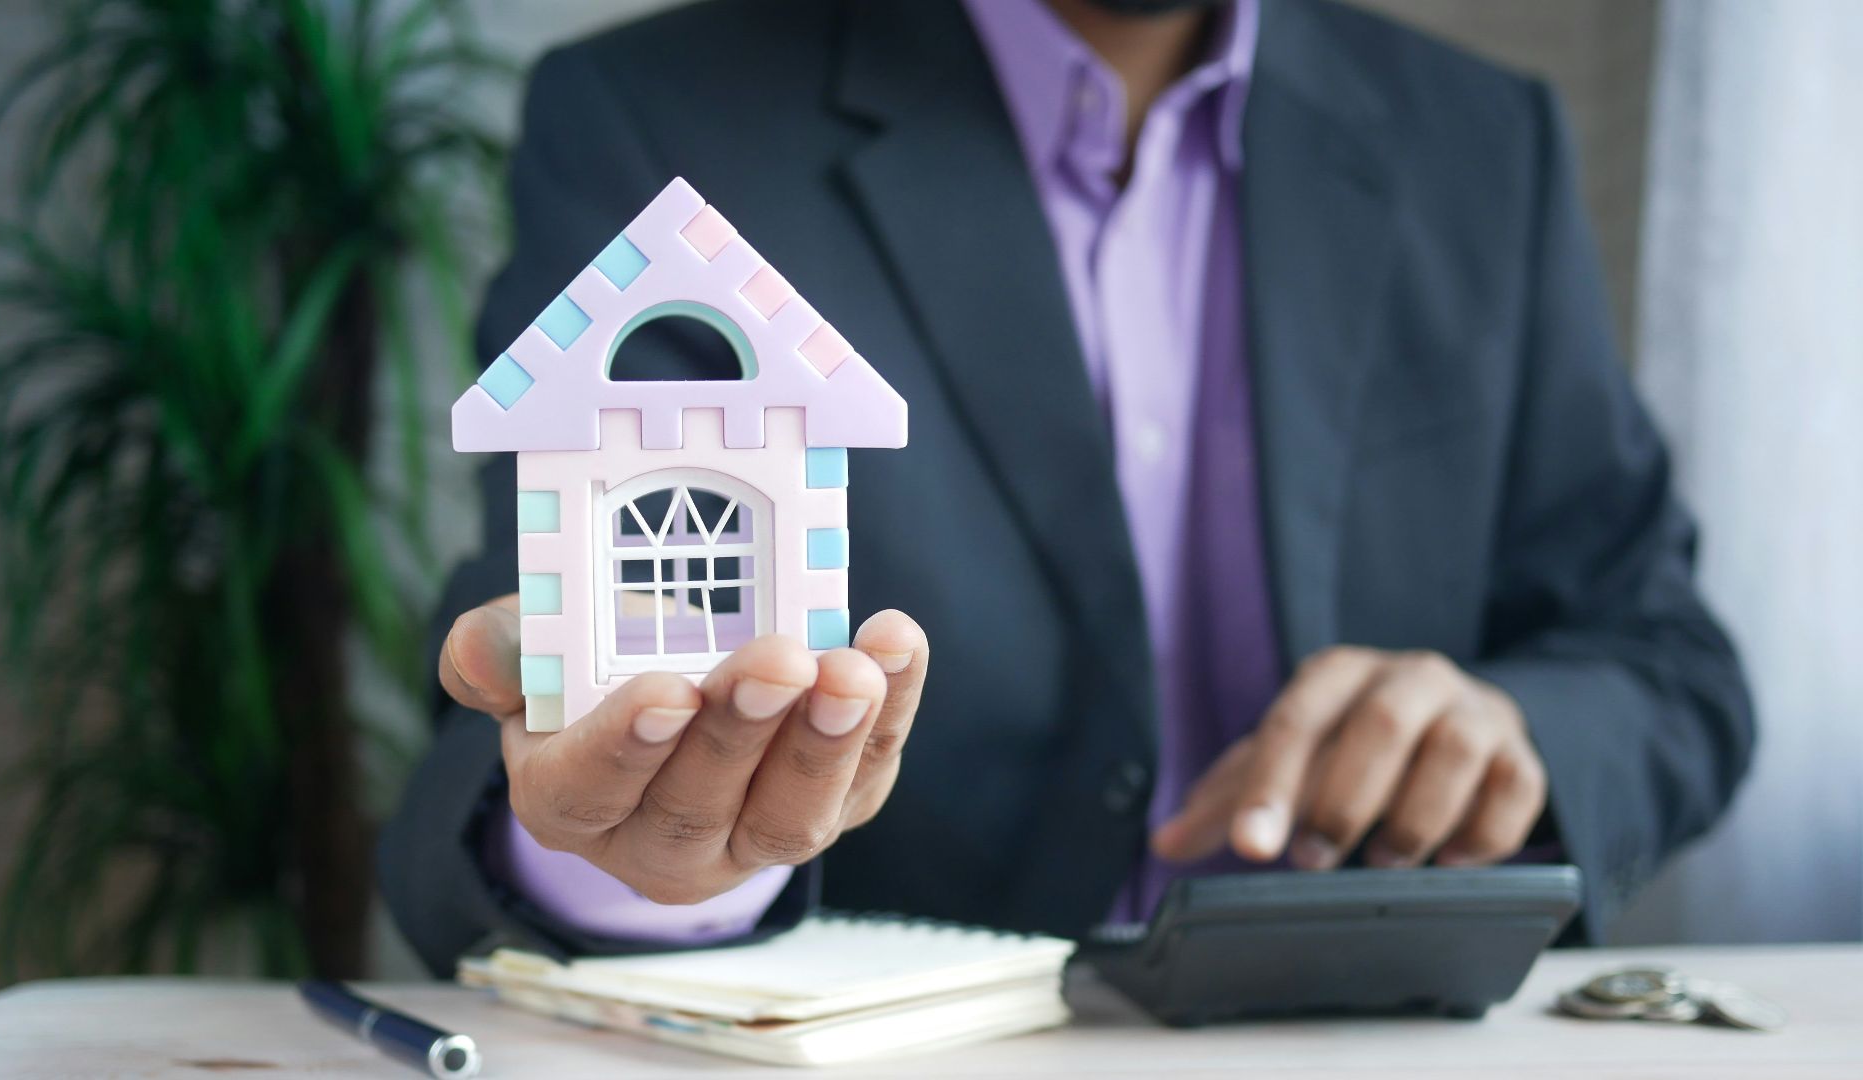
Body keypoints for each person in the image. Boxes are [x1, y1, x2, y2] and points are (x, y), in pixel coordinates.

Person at [379, 0, 1754, 976]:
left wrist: (1511, 733)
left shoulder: (1485, 144)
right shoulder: (658, 121)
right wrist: (634, 859)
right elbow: (537, 684)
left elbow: (1667, 663)